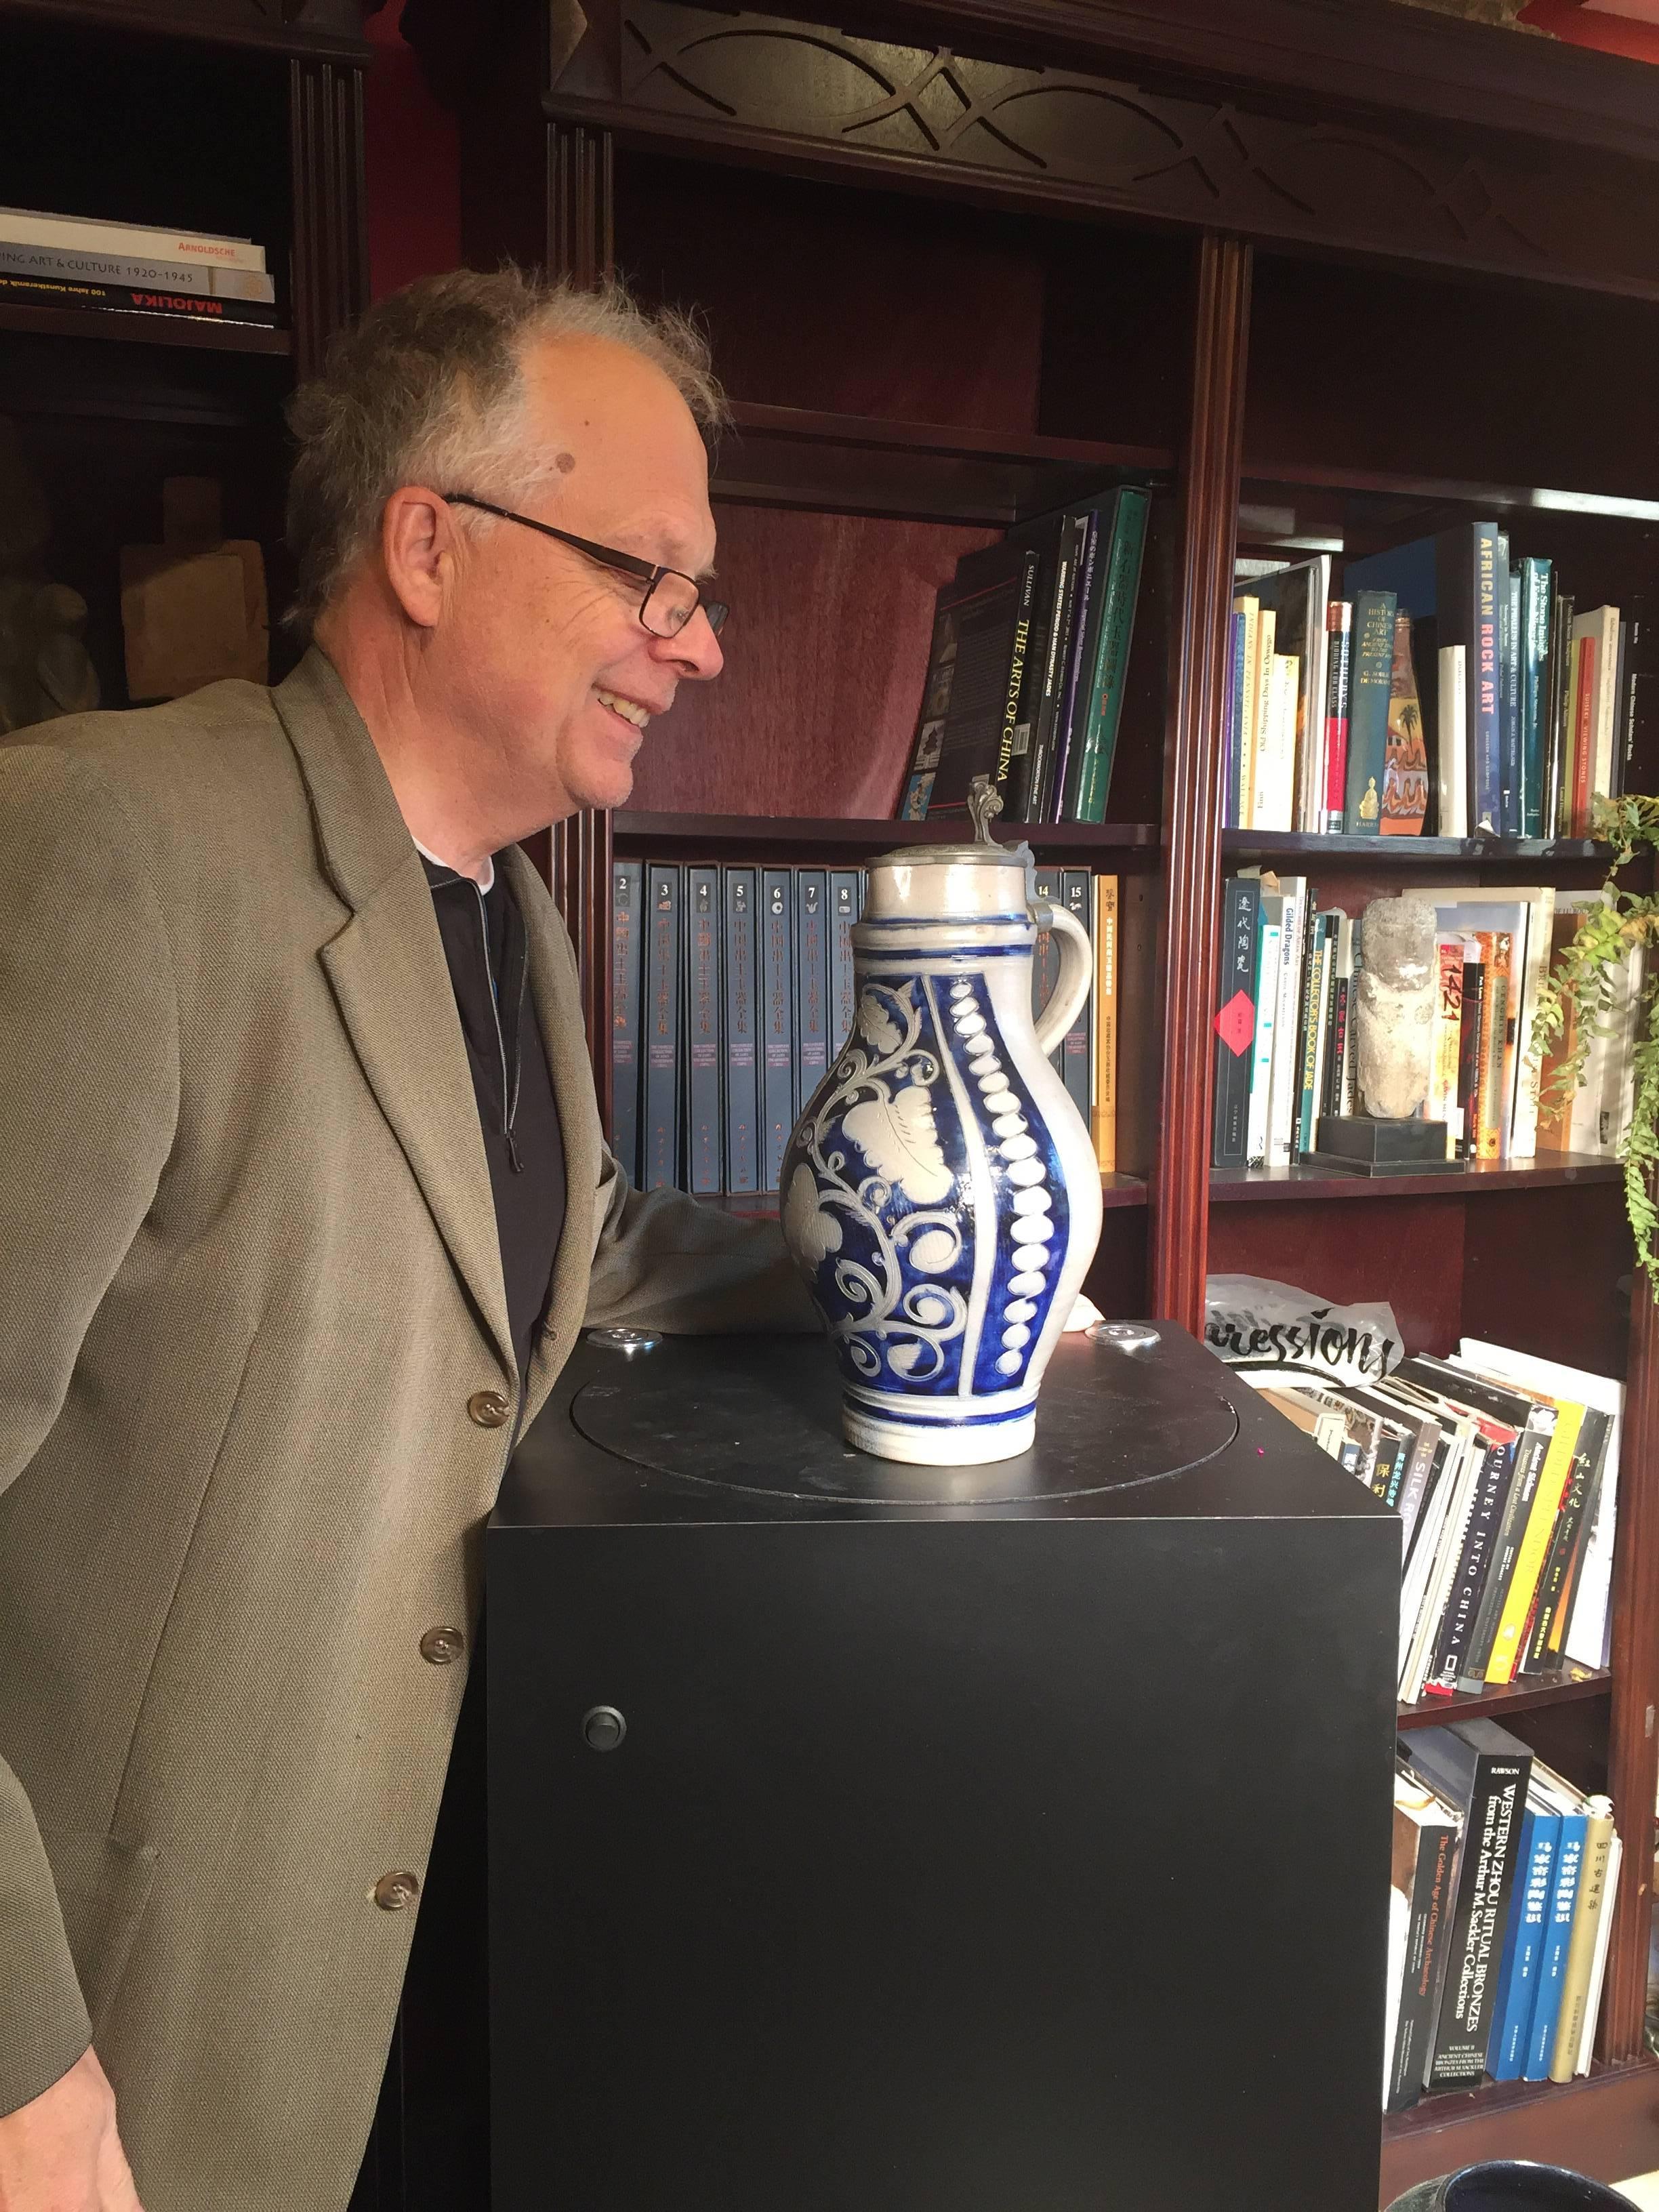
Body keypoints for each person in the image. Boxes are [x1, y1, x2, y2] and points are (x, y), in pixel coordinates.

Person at [0, 267, 815, 2212]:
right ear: (431, 546)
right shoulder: (101, 843)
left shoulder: (513, 919)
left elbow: (570, 1246)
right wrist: (21, 2066)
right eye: (655, 577)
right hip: (127, 2045)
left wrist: (912, 1271)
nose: (695, 648)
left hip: (402, 2009)